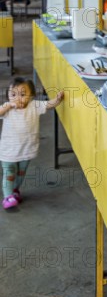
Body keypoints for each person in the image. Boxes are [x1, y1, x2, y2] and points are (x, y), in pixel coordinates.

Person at [0, 78, 64, 209]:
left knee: (21, 173)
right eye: (13, 95)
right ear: (8, 96)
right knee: (10, 173)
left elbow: (49, 104)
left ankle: (15, 191)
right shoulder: (7, 109)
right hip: (8, 151)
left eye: (23, 94)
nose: (17, 98)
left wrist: (57, 99)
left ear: (31, 96)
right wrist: (9, 106)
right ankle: (7, 197)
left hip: (26, 149)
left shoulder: (35, 105)